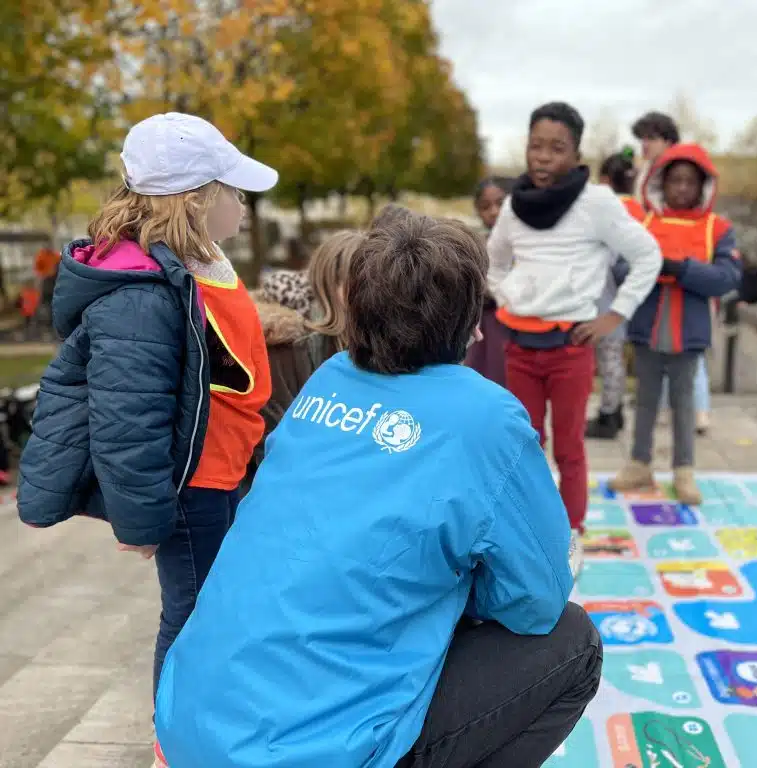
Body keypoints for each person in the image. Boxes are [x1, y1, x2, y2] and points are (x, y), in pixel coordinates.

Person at [154, 212, 602, 768]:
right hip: (308, 752)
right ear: (468, 321)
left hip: (189, 720)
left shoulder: (330, 379)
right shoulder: (485, 416)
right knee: (574, 642)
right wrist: (459, 594)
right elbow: (536, 601)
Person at [16, 112, 279, 709]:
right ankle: (178, 739)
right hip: (193, 488)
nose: (242, 202)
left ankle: (207, 724)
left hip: (221, 473)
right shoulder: (141, 297)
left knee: (215, 610)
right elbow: (126, 421)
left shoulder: (195, 269)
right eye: (232, 191)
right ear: (195, 201)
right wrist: (142, 523)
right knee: (192, 619)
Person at [489, 102, 661, 535]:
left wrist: (614, 316)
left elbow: (647, 255)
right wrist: (507, 294)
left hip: (570, 348)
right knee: (525, 448)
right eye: (535, 146)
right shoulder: (514, 206)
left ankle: (572, 531)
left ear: (576, 154)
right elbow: (494, 264)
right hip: (519, 347)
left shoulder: (597, 203)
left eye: (557, 148)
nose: (544, 157)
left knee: (569, 449)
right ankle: (529, 530)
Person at [610, 143, 741, 504]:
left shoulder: (718, 229)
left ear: (703, 186)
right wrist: (651, 267)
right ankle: (639, 463)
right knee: (646, 400)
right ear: (660, 184)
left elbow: (727, 277)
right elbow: (620, 268)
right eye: (675, 181)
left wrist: (682, 269)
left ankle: (684, 470)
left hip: (689, 334)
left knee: (684, 404)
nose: (682, 188)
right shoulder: (643, 224)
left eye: (690, 181)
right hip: (647, 330)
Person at [243, 230, 365, 492]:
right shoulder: (287, 347)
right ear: (328, 284)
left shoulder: (377, 344)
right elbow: (275, 441)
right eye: (357, 281)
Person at [585, 149, 641, 440]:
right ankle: (614, 410)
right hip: (626, 297)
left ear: (605, 180)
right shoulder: (641, 211)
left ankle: (609, 415)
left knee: (606, 358)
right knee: (614, 358)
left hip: (601, 298)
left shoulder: (602, 209)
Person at [465, 176, 513, 385]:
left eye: (500, 203)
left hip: (512, 322)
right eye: (486, 206)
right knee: (482, 376)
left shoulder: (523, 243)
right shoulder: (475, 244)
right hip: (483, 322)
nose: (494, 211)